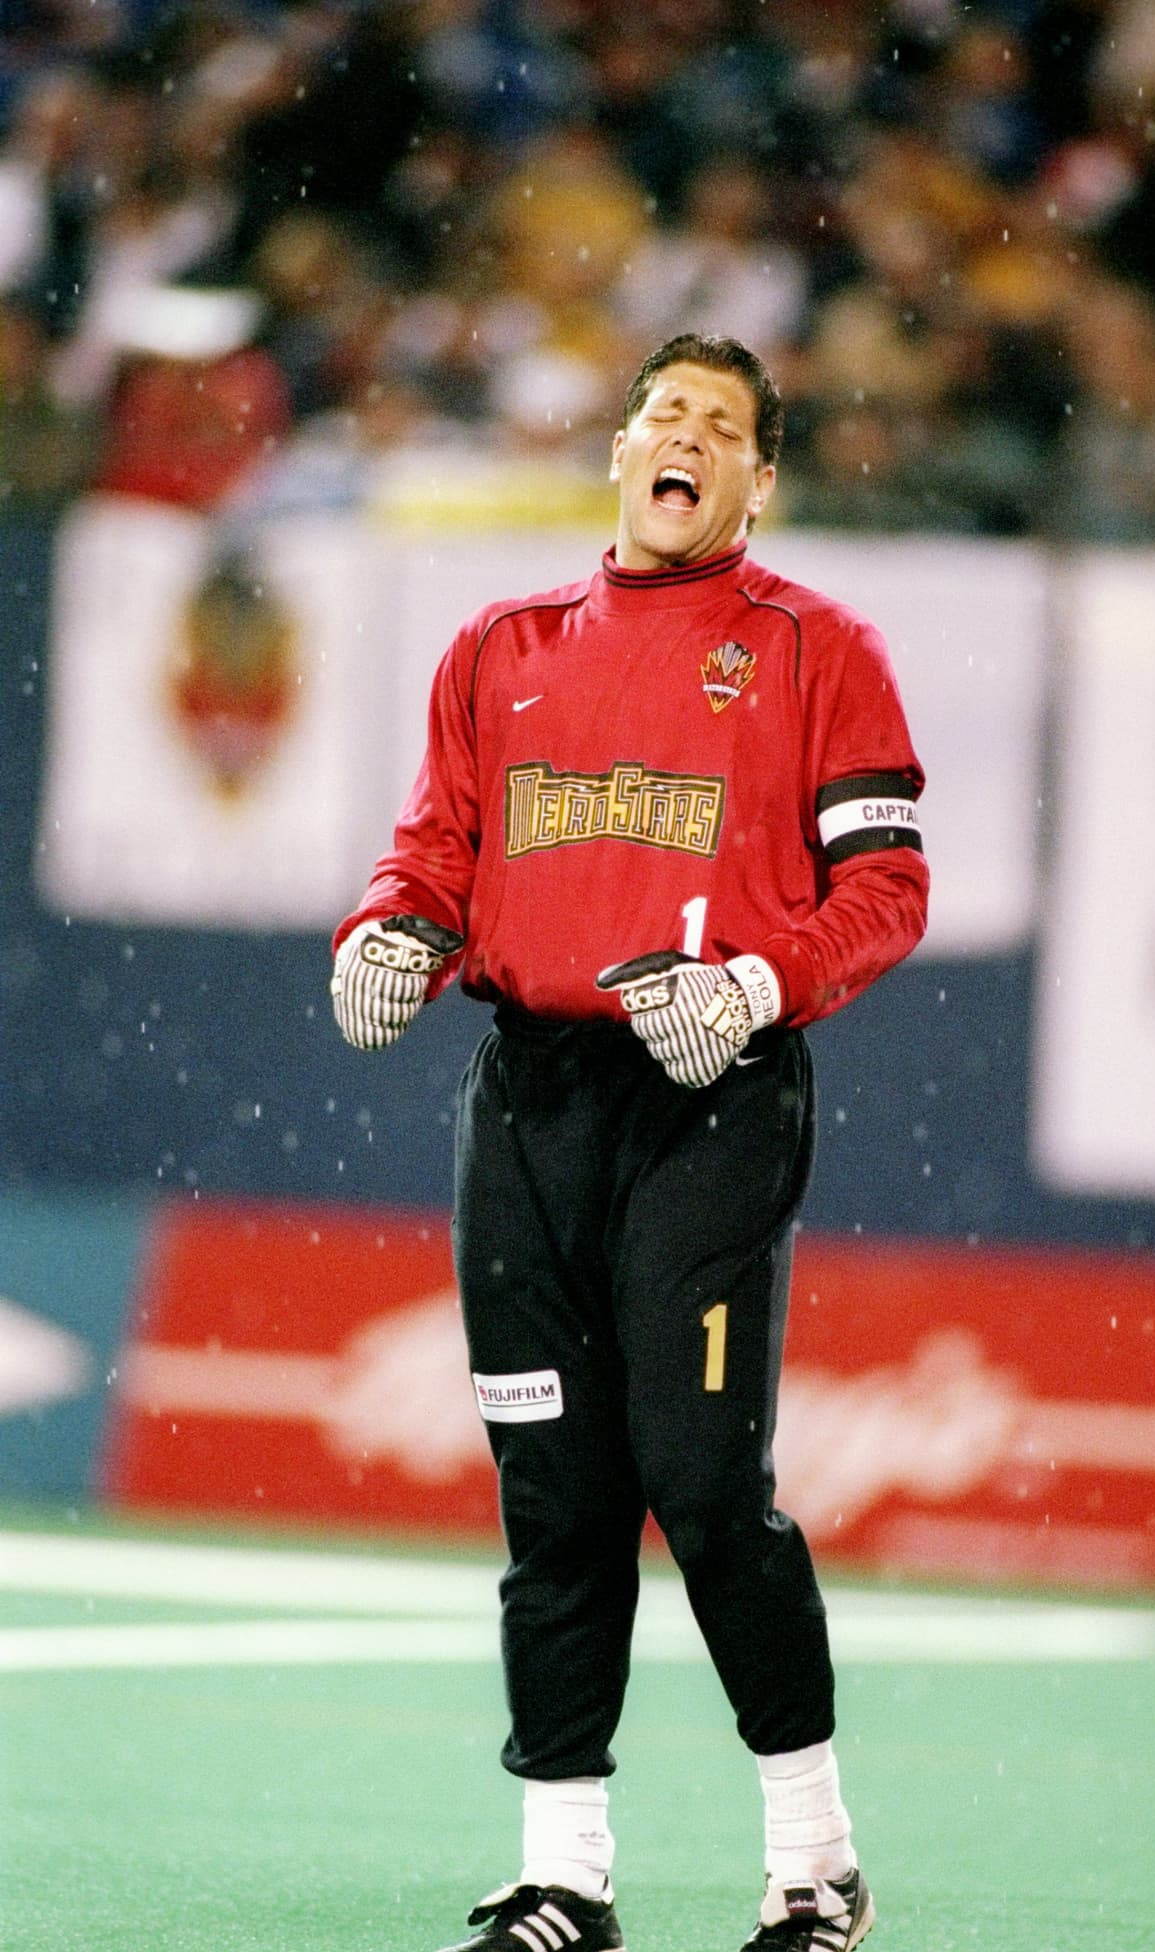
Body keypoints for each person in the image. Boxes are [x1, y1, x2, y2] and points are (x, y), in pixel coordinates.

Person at [330, 332, 928, 1952]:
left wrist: (751, 981)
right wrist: (391, 932)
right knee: (556, 1492)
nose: (687, 437)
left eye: (722, 427)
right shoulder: (498, 645)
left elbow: (887, 891)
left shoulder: (819, 648)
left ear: (758, 481)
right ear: (618, 448)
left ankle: (815, 1865)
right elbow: (435, 855)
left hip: (712, 1099)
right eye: (665, 411)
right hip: (531, 1102)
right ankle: (563, 1876)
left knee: (702, 1485)